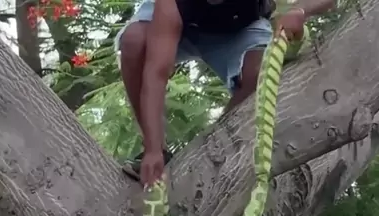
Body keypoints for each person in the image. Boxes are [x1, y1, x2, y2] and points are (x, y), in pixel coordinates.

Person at [116, 0, 337, 186]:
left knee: (260, 74)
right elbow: (156, 72)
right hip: (177, 22)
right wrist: (153, 149)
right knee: (134, 42)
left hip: (239, 29)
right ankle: (158, 153)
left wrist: (299, 11)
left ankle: (206, 157)